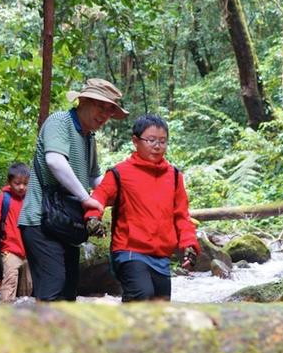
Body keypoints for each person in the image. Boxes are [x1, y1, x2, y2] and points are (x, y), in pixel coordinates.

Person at [18, 78, 128, 301]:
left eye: (110, 111)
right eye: (101, 107)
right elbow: (55, 161)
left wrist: (122, 197)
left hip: (66, 224)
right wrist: (85, 197)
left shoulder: (89, 138)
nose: (104, 116)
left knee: (68, 293)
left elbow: (96, 177)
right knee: (53, 287)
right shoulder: (60, 122)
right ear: (84, 101)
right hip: (40, 220)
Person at [85, 114, 200, 302]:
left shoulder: (174, 176)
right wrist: (92, 217)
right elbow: (99, 196)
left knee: (159, 305)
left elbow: (181, 216)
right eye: (151, 140)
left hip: (161, 254)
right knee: (141, 295)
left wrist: (189, 244)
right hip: (129, 250)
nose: (157, 146)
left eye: (162, 141)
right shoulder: (120, 173)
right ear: (135, 141)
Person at [0, 162, 32, 302]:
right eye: (17, 183)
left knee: (27, 289)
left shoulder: (31, 199)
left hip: (29, 252)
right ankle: (6, 311)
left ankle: (24, 316)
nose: (22, 187)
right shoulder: (3, 198)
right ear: (9, 182)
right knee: (10, 284)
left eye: (25, 183)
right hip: (10, 250)